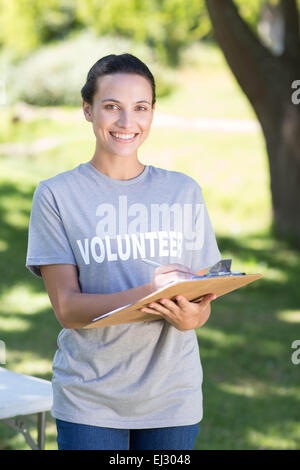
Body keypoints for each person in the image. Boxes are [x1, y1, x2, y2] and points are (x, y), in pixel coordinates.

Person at [25, 53, 222, 450]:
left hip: (173, 398)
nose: (126, 122)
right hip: (90, 401)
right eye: (111, 107)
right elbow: (68, 309)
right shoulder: (57, 196)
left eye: (140, 108)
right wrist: (152, 293)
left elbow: (202, 299)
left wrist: (192, 317)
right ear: (87, 109)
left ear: (153, 113)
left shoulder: (183, 191)